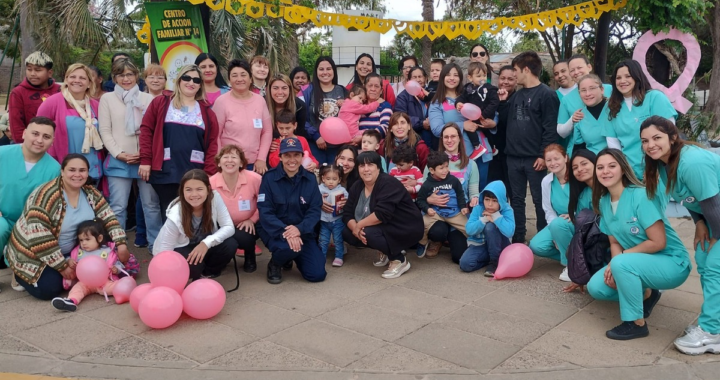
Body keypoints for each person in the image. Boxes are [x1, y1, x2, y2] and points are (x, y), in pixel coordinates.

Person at [587, 148, 690, 340]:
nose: (605, 171)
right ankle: (647, 293)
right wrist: (616, 267)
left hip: (671, 262)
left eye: (611, 166)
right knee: (596, 288)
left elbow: (658, 242)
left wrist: (620, 262)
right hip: (636, 261)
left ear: (623, 169)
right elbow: (614, 240)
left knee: (619, 264)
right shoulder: (604, 201)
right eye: (600, 167)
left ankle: (636, 323)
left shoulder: (641, 195)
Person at [640, 116, 720, 354]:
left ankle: (711, 331)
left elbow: (713, 206)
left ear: (672, 137)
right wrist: (699, 224)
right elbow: (692, 200)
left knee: (715, 265)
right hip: (713, 217)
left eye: (657, 138)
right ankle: (714, 320)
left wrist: (715, 234)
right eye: (645, 141)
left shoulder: (692, 162)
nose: (650, 145)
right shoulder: (665, 163)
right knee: (705, 260)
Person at [5, 154, 130, 300]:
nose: (77, 175)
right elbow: (38, 237)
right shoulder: (46, 195)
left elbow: (108, 217)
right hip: (34, 251)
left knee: (106, 247)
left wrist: (121, 244)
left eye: (82, 170)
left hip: (72, 250)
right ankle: (18, 271)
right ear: (62, 171)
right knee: (50, 289)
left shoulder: (90, 192)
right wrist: (61, 266)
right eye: (72, 170)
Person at [139, 64, 219, 220]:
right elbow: (146, 131)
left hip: (194, 172)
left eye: (196, 80)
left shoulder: (207, 112)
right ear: (179, 80)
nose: (191, 82)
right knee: (169, 214)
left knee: (193, 215)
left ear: (200, 85)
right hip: (165, 171)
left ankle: (191, 245)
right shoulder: (161, 103)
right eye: (187, 78)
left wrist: (209, 172)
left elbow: (212, 144)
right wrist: (146, 160)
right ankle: (167, 245)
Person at [98, 58, 161, 251]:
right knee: (118, 207)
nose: (126, 78)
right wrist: (119, 154)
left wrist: (144, 153)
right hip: (119, 161)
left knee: (151, 205)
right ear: (114, 77)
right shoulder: (107, 99)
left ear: (136, 76)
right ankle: (118, 247)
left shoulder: (148, 99)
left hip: (145, 161)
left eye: (130, 74)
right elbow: (105, 131)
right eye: (121, 74)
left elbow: (154, 131)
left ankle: (156, 245)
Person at [498, 51, 560, 243]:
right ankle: (518, 236)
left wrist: (543, 156)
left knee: (540, 199)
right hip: (513, 158)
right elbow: (506, 122)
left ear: (526, 69)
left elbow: (551, 128)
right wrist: (502, 103)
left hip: (535, 159)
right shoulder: (515, 95)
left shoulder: (547, 94)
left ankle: (544, 237)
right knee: (516, 200)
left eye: (515, 70)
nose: (513, 75)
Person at [0, 117, 61, 285]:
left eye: (46, 137)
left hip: (29, 224)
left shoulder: (54, 169)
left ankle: (16, 268)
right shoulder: (2, 154)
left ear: (52, 141)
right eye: (35, 134)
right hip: (2, 216)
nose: (39, 140)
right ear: (24, 133)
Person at [342, 151, 423, 278]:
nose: (366, 169)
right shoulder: (357, 186)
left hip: (405, 226)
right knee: (346, 232)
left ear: (378, 167)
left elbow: (382, 214)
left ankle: (399, 260)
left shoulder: (388, 183)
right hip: (383, 225)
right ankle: (385, 250)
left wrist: (359, 226)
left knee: (368, 233)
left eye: (370, 165)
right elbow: (347, 213)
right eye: (362, 166)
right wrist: (354, 228)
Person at [258, 137, 326, 284]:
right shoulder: (269, 179)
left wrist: (299, 229)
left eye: (296, 155)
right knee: (287, 248)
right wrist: (287, 232)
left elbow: (314, 210)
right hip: (276, 232)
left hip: (303, 232)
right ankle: (276, 263)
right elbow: (265, 211)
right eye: (287, 155)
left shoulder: (310, 179)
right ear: (280, 157)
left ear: (302, 156)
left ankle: (290, 256)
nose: (292, 160)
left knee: (317, 274)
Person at [153, 169, 237, 280]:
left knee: (230, 244)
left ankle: (208, 272)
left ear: (208, 189)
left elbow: (229, 227)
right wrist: (162, 273)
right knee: (194, 266)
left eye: (199, 189)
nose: (194, 194)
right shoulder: (176, 213)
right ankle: (195, 272)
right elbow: (164, 250)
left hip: (204, 243)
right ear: (182, 191)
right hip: (182, 247)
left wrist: (206, 243)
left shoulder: (214, 198)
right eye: (188, 190)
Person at [603, 59, 677, 179]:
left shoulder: (655, 98)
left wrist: (656, 168)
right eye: (618, 78)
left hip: (659, 168)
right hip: (629, 171)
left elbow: (670, 136)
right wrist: (624, 170)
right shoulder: (611, 107)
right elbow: (613, 143)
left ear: (637, 76)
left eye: (628, 76)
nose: (622, 81)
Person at [428, 63, 493, 192]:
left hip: (480, 151)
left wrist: (493, 122)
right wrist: (463, 125)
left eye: (456, 75)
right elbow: (436, 129)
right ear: (442, 77)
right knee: (459, 193)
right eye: (448, 75)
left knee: (481, 191)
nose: (452, 78)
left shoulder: (471, 93)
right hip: (455, 155)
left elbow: (490, 110)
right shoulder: (437, 103)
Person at [37, 63, 104, 183]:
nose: (77, 81)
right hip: (61, 165)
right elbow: (38, 132)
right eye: (73, 77)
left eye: (82, 78)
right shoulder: (52, 103)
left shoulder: (96, 106)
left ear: (89, 83)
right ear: (66, 80)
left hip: (92, 167)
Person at [422, 124, 480, 261]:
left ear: (460, 138)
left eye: (453, 136)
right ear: (442, 140)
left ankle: (452, 239)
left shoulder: (471, 164)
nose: (449, 140)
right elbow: (423, 191)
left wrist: (474, 199)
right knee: (437, 231)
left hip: (458, 212)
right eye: (446, 137)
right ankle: (437, 240)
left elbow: (473, 192)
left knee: (458, 257)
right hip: (436, 212)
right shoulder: (432, 163)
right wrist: (429, 200)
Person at [210, 145, 263, 273]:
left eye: (234, 157)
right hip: (222, 225)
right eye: (225, 157)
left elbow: (265, 203)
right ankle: (224, 258)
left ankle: (249, 254)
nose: (229, 160)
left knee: (245, 237)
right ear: (219, 162)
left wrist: (252, 219)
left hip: (249, 224)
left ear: (241, 163)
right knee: (229, 242)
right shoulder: (211, 183)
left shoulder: (254, 179)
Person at [214, 59, 272, 174]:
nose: (239, 79)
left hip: (255, 165)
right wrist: (220, 161)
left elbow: (267, 131)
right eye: (234, 75)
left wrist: (261, 158)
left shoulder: (260, 101)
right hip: (230, 165)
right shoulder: (221, 102)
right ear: (229, 80)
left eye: (243, 75)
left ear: (250, 79)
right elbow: (215, 134)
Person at [52, 219, 124, 312]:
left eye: (87, 239)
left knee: (114, 287)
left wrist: (116, 269)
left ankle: (126, 291)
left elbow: (118, 264)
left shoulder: (107, 251)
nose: (83, 243)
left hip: (103, 282)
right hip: (84, 282)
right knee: (77, 289)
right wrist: (69, 261)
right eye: (81, 240)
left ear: (99, 238)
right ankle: (71, 301)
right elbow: (69, 259)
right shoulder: (79, 252)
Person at [528, 144, 572, 281]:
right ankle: (578, 257)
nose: (553, 163)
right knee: (536, 245)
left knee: (559, 224)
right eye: (549, 160)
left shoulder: (576, 177)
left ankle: (571, 264)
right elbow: (548, 209)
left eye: (556, 158)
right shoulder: (547, 181)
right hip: (558, 223)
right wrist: (555, 233)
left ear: (566, 158)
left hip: (576, 220)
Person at [416, 151, 469, 258]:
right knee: (421, 224)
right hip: (436, 213)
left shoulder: (453, 180)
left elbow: (460, 193)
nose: (445, 170)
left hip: (454, 213)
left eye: (446, 166)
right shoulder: (427, 184)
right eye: (441, 168)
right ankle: (422, 243)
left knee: (469, 228)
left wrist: (463, 206)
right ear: (431, 170)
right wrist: (427, 209)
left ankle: (477, 245)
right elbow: (420, 200)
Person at [556, 55, 613, 154]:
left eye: (579, 68)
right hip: (583, 152)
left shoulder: (609, 89)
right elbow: (561, 132)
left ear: (589, 67)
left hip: (613, 152)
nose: (576, 72)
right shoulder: (567, 99)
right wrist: (572, 120)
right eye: (572, 70)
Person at [562, 148, 599, 293]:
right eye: (575, 167)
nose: (580, 170)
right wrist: (579, 271)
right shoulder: (583, 194)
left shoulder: (610, 186)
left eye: (584, 164)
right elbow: (582, 229)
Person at [459, 181, 514, 275]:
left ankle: (494, 262)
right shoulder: (478, 208)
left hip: (500, 245)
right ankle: (493, 258)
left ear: (501, 200)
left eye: (494, 201)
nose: (490, 204)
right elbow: (469, 229)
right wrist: (484, 219)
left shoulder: (507, 210)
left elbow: (510, 232)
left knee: (490, 227)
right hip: (480, 245)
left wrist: (495, 217)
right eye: (487, 199)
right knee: (465, 264)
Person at [302, 56, 349, 164]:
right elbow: (302, 118)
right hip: (315, 144)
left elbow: (351, 115)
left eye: (328, 69)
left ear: (333, 70)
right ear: (316, 71)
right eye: (321, 69)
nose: (325, 72)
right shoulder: (308, 91)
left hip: (339, 146)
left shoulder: (342, 91)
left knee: (335, 177)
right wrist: (316, 136)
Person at [9, 51, 60, 143]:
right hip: (30, 145)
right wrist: (26, 148)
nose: (32, 74)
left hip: (57, 143)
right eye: (29, 69)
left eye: (38, 70)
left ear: (50, 73)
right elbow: (16, 125)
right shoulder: (18, 92)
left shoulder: (60, 90)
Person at [565, 74, 621, 155]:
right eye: (583, 90)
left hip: (620, 159)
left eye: (592, 88)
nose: (588, 94)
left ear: (602, 89)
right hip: (593, 163)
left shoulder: (615, 109)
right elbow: (579, 149)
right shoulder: (579, 117)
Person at [456, 62, 499, 159]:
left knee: (484, 131)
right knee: (472, 127)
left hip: (486, 116)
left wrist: (484, 114)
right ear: (470, 78)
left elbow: (495, 102)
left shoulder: (489, 89)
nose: (482, 78)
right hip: (474, 115)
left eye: (484, 75)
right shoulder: (468, 88)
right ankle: (479, 146)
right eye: (478, 76)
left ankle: (483, 147)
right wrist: (458, 103)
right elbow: (461, 98)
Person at [487, 65, 516, 192]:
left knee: (511, 191)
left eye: (510, 79)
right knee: (493, 190)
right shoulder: (491, 95)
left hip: (510, 152)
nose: (505, 82)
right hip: (493, 151)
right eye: (503, 78)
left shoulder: (518, 98)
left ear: (516, 80)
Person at [395, 67, 434, 150]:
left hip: (433, 135)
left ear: (425, 78)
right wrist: (422, 123)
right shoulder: (403, 97)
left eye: (420, 77)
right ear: (409, 80)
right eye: (414, 77)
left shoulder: (431, 94)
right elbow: (400, 117)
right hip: (413, 137)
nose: (418, 79)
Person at [318, 164, 349, 267]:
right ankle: (321, 257)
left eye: (334, 179)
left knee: (338, 239)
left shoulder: (342, 191)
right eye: (328, 178)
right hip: (324, 221)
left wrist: (345, 202)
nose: (331, 182)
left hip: (337, 220)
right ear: (323, 178)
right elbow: (313, 198)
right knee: (323, 240)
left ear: (339, 180)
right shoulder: (319, 189)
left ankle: (339, 257)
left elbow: (348, 201)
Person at [358, 73, 393, 139]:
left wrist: (363, 138)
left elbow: (386, 126)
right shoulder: (359, 105)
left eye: (376, 86)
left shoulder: (385, 106)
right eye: (370, 85)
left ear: (381, 91)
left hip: (376, 145)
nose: (373, 89)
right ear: (364, 87)